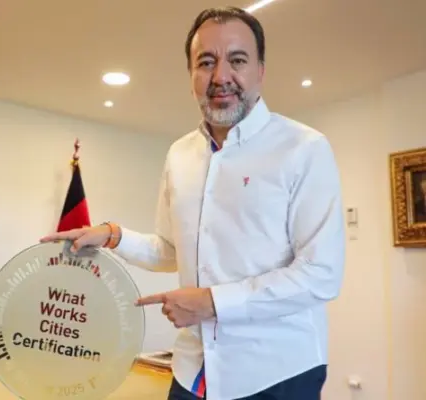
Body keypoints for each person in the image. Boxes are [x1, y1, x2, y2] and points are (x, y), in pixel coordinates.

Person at [41, 6, 345, 400]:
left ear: (260, 71)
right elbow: (171, 250)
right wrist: (112, 235)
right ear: (191, 76)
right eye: (206, 62)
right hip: (193, 369)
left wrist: (212, 302)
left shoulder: (305, 148)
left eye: (237, 60)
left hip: (276, 373)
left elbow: (320, 273)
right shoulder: (179, 154)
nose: (221, 76)